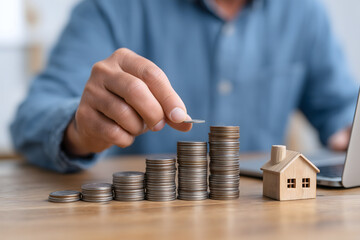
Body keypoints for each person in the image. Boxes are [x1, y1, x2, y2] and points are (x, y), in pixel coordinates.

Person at [11, 0, 359, 173]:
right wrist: (80, 129)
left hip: (256, 220)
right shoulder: (110, 7)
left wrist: (349, 131)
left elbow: (339, 109)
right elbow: (30, 119)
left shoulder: (304, 12)